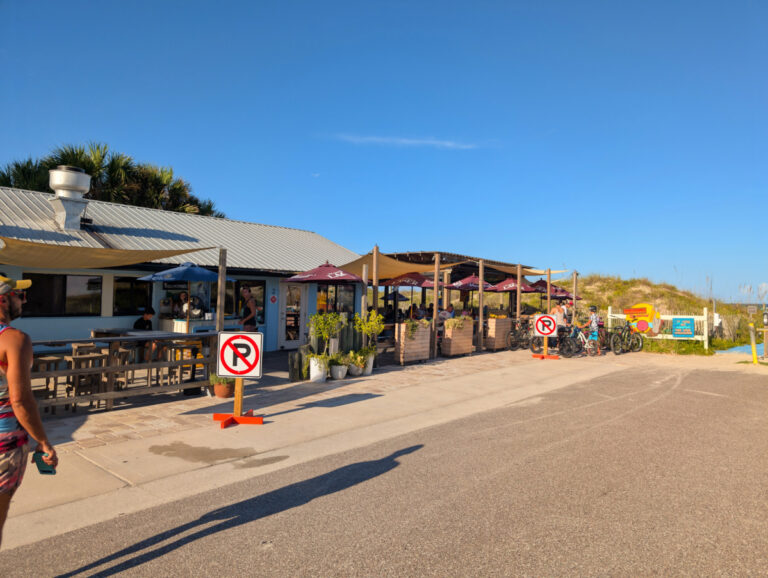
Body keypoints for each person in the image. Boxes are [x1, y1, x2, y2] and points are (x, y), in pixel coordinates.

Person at [0, 274, 57, 546]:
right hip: (4, 445)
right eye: (18, 295)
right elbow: (20, 401)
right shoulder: (15, 339)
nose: (24, 300)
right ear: (2, 300)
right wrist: (44, 442)